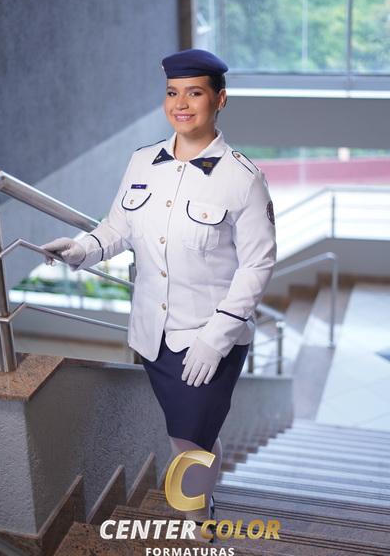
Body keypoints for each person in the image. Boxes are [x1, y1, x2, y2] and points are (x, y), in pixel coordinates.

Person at [41, 48, 277, 544]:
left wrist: (216, 336)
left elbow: (257, 265)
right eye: (172, 93)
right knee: (188, 431)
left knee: (189, 436)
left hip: (211, 337)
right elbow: (118, 228)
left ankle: (196, 516)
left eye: (194, 93)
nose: (181, 104)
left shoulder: (243, 179)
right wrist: (81, 249)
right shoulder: (142, 161)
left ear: (220, 99)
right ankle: (201, 495)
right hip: (154, 333)